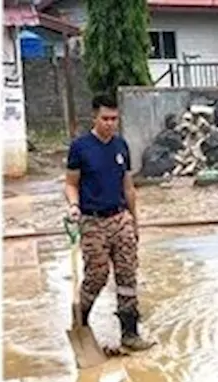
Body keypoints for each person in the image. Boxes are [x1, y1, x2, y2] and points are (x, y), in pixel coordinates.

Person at [65, 93, 154, 352]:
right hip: (92, 221)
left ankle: (130, 332)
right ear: (95, 117)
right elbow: (71, 184)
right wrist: (73, 206)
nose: (110, 123)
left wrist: (134, 221)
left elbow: (128, 187)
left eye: (114, 119)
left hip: (120, 217)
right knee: (97, 273)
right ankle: (80, 320)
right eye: (105, 118)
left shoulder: (121, 146)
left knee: (127, 274)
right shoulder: (80, 148)